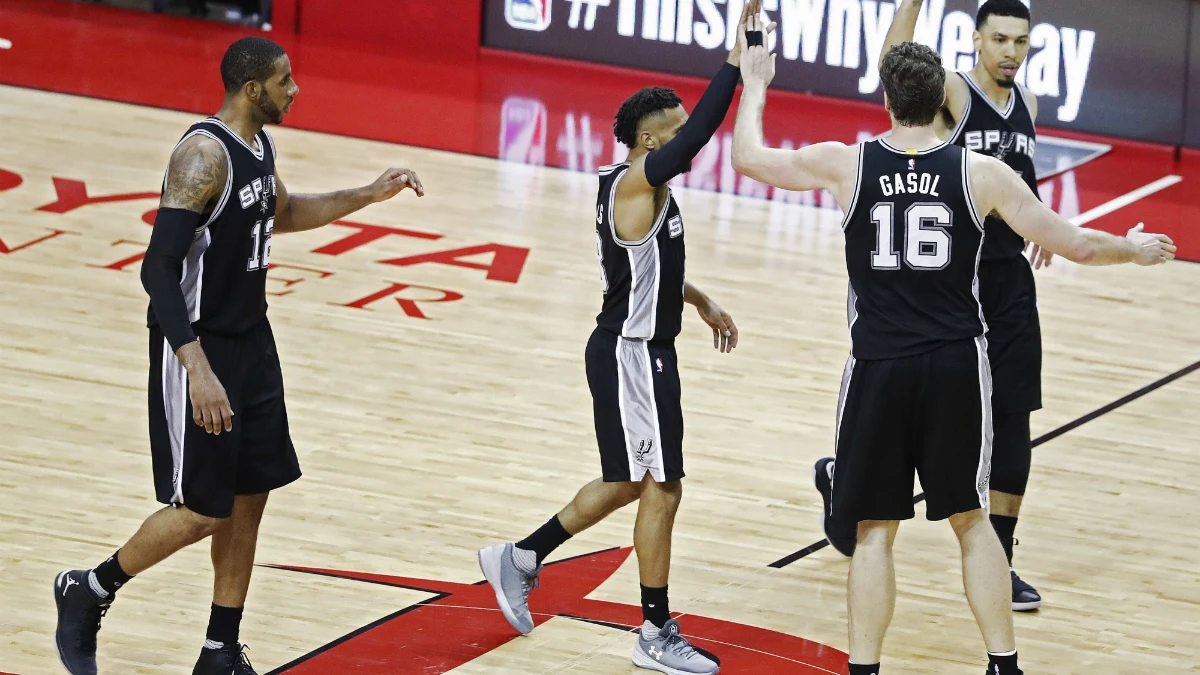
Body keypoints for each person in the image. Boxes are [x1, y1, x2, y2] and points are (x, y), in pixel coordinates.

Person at [731, 24, 1174, 675]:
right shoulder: (980, 172)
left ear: (886, 98)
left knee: (874, 531)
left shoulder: (845, 162)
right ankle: (1004, 664)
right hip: (956, 365)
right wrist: (1133, 251)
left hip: (879, 363)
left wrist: (755, 85)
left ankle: (864, 669)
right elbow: (1075, 243)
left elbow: (747, 156)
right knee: (971, 520)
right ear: (940, 96)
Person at [52, 36, 423, 675]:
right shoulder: (202, 156)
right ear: (253, 89)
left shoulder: (259, 147)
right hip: (199, 346)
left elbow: (284, 211)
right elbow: (158, 270)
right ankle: (88, 589)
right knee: (200, 510)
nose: (295, 89)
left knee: (252, 494)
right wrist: (196, 367)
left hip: (253, 339)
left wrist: (367, 194)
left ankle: (220, 649)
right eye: (284, 81)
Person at [475, 3, 767, 673]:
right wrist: (735, 61)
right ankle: (655, 630)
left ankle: (520, 557)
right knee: (662, 485)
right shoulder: (638, 182)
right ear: (645, 142)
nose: (683, 140)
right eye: (670, 132)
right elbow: (697, 139)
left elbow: (647, 267)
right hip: (632, 353)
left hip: (633, 347)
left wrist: (700, 299)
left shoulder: (643, 187)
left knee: (628, 481)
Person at [813, 0, 1049, 612]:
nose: (1010, 52)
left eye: (1020, 42)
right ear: (974, 40)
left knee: (1014, 419)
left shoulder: (1026, 105)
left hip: (1008, 282)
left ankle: (1003, 552)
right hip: (943, 284)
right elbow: (896, 64)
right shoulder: (954, 91)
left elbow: (1019, 176)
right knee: (901, 408)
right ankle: (842, 479)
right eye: (999, 39)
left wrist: (1039, 226)